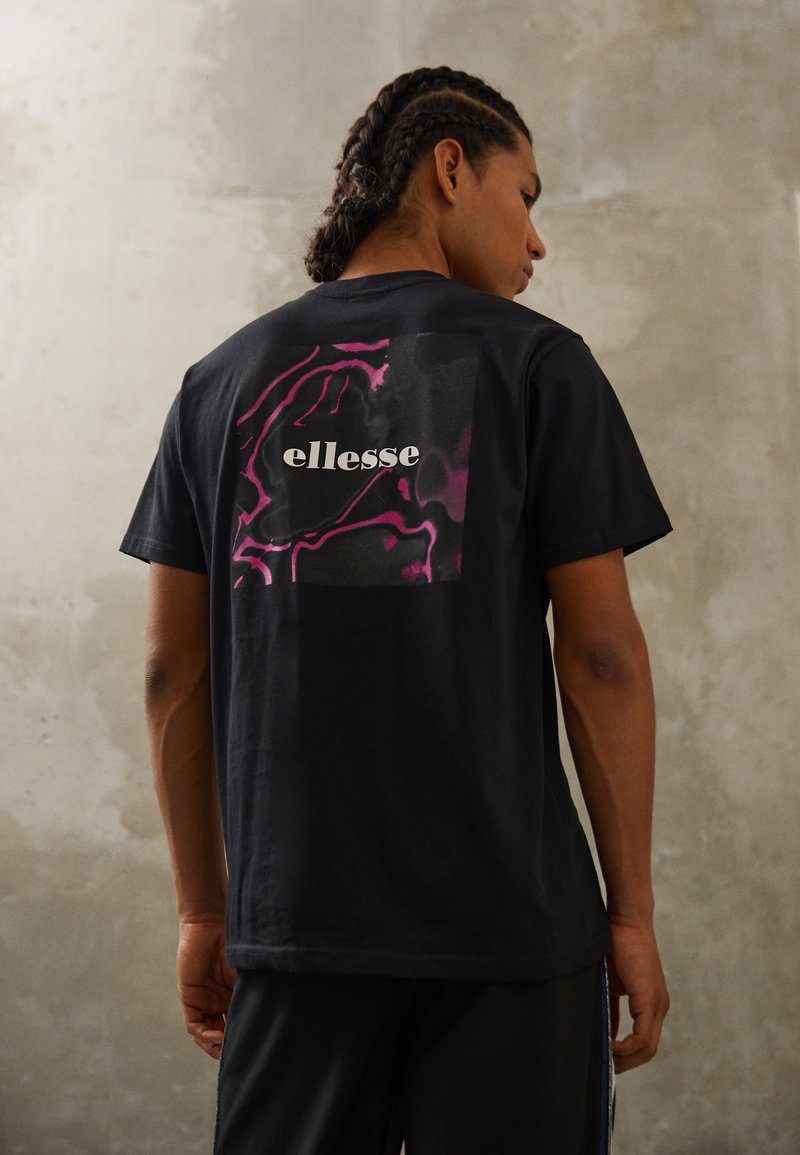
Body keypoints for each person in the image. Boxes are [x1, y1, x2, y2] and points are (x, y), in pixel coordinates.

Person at [121, 65, 672, 1154]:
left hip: (296, 935)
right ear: (449, 168)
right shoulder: (539, 365)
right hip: (510, 934)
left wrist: (202, 910)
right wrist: (631, 914)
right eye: (525, 196)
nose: (537, 241)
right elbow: (601, 655)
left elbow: (169, 670)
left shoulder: (221, 382)